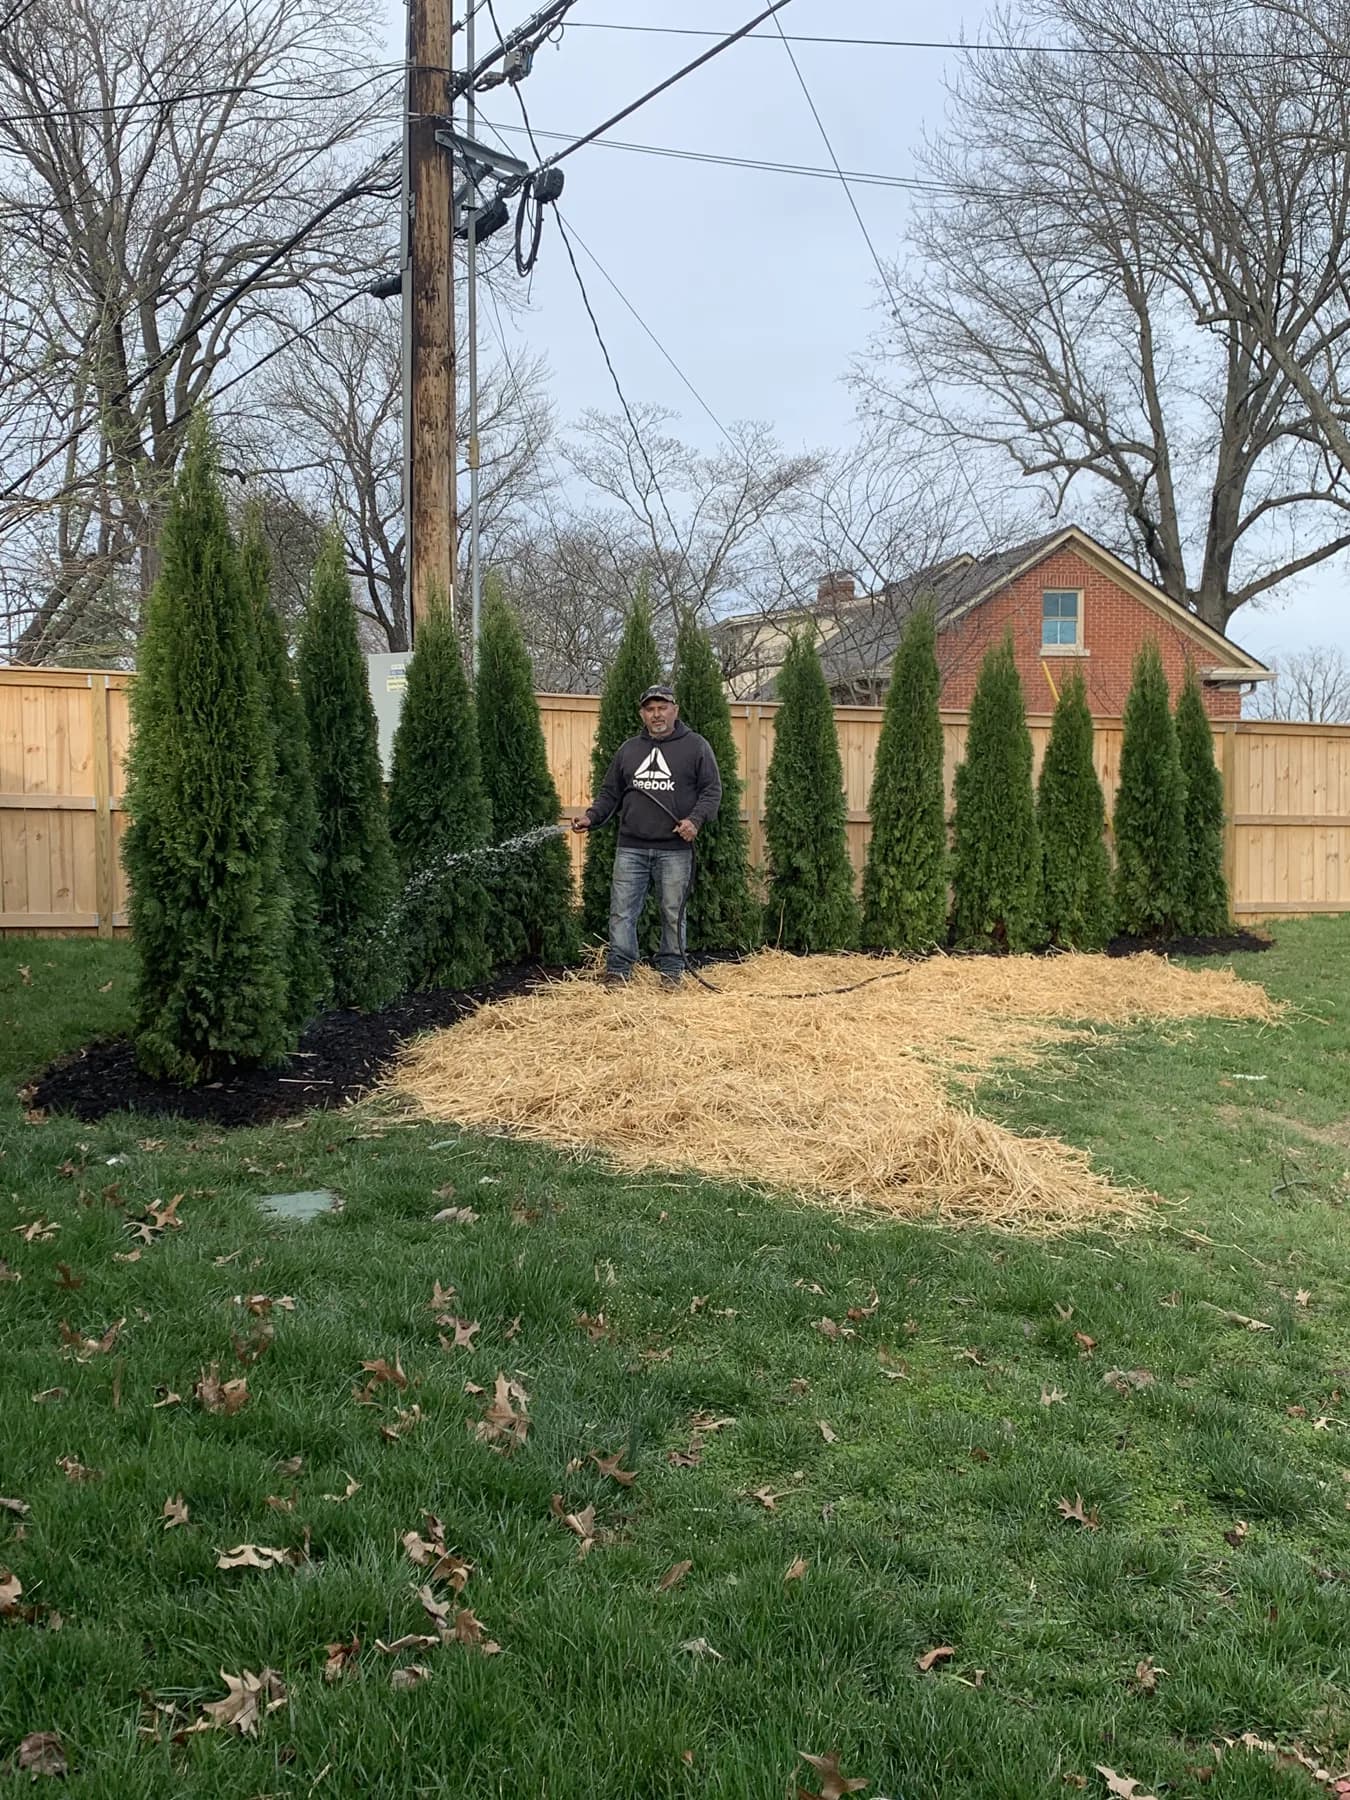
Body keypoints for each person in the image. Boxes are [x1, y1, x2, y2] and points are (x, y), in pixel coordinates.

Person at [573, 684, 721, 987]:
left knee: (672, 913)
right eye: (650, 709)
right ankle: (619, 970)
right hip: (631, 848)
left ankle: (672, 972)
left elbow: (712, 791)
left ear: (675, 710)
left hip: (675, 850)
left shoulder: (696, 746)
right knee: (622, 912)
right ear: (643, 714)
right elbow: (609, 794)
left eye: (662, 707)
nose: (657, 714)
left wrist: (695, 821)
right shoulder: (629, 750)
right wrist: (591, 817)